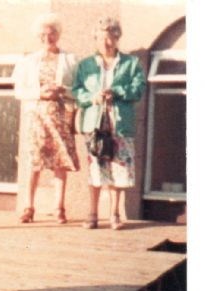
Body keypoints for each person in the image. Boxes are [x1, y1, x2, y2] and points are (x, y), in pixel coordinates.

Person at [73, 17, 146, 230]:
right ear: (95, 39)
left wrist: (117, 92)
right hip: (95, 125)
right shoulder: (86, 65)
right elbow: (77, 91)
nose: (106, 43)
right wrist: (92, 97)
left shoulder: (131, 63)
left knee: (119, 170)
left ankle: (114, 214)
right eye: (102, 38)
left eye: (110, 38)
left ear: (117, 38)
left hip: (120, 125)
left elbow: (139, 89)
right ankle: (92, 214)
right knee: (96, 169)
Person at [13, 13, 80, 224]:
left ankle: (59, 208)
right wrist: (40, 93)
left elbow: (80, 90)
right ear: (37, 36)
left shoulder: (70, 59)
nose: (47, 38)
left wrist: (63, 90)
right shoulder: (29, 61)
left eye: (51, 33)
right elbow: (19, 91)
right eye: (42, 34)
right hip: (37, 116)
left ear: (57, 34)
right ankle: (28, 207)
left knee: (60, 161)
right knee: (35, 162)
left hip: (61, 115)